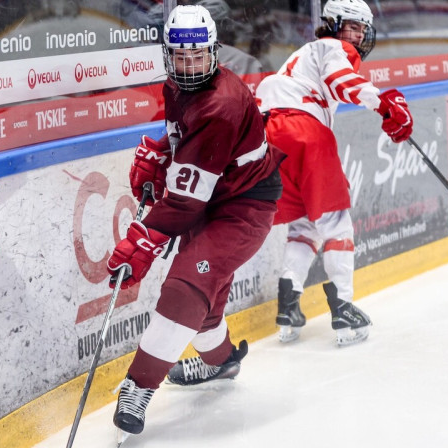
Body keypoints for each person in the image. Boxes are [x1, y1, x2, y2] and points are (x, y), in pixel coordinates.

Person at [106, 4, 284, 444]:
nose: (189, 67)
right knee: (204, 302)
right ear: (169, 55)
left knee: (185, 285)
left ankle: (138, 387)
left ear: (214, 53)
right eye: (181, 58)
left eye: (198, 57)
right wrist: (162, 154)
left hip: (243, 205)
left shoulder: (221, 102)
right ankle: (221, 361)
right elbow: (182, 138)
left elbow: (185, 201)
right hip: (216, 195)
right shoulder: (177, 86)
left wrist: (143, 240)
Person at [255, 0, 413, 347]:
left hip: (269, 136)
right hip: (302, 130)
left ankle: (289, 306)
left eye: (361, 30)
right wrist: (383, 104)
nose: (356, 37)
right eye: (350, 27)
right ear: (333, 25)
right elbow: (342, 81)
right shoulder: (334, 48)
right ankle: (343, 308)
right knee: (337, 223)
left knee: (304, 224)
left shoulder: (302, 55)